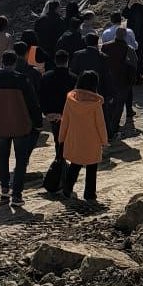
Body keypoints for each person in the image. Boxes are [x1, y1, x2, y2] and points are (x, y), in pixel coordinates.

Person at [0, 50, 44, 205]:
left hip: (0, 125)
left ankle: (4, 190)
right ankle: (17, 195)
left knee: (3, 156)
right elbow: (32, 104)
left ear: (2, 62)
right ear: (14, 63)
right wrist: (38, 123)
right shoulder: (22, 80)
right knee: (21, 160)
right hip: (20, 125)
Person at [58, 70, 109, 206]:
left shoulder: (71, 99)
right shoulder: (96, 103)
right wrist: (104, 141)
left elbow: (65, 120)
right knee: (92, 168)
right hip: (92, 140)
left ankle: (67, 189)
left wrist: (61, 137)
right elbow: (100, 124)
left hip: (75, 138)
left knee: (75, 165)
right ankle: (90, 194)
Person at [38, 49, 76, 193]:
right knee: (68, 143)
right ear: (67, 61)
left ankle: (60, 167)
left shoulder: (46, 77)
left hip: (53, 116)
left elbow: (41, 95)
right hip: (68, 116)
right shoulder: (73, 78)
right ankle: (63, 172)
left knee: (58, 141)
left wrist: (47, 113)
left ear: (55, 61)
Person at [101, 27, 139, 136]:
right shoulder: (128, 49)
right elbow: (134, 65)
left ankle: (107, 126)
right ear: (125, 36)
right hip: (122, 81)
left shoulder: (106, 46)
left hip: (108, 81)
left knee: (108, 104)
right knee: (119, 105)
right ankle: (113, 129)